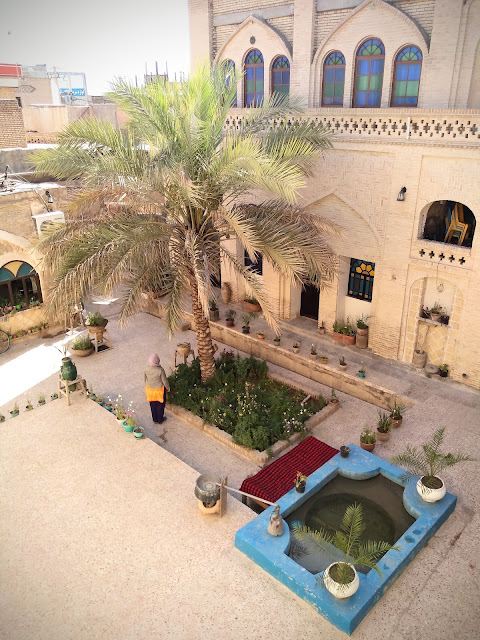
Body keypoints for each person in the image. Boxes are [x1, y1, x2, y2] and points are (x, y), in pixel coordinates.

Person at [144, 354, 170, 424]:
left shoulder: (146, 369)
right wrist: (168, 387)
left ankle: (155, 419)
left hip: (150, 390)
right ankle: (160, 419)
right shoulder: (160, 370)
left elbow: (144, 379)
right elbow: (164, 381)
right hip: (159, 391)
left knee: (152, 405)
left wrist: (146, 386)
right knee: (160, 405)